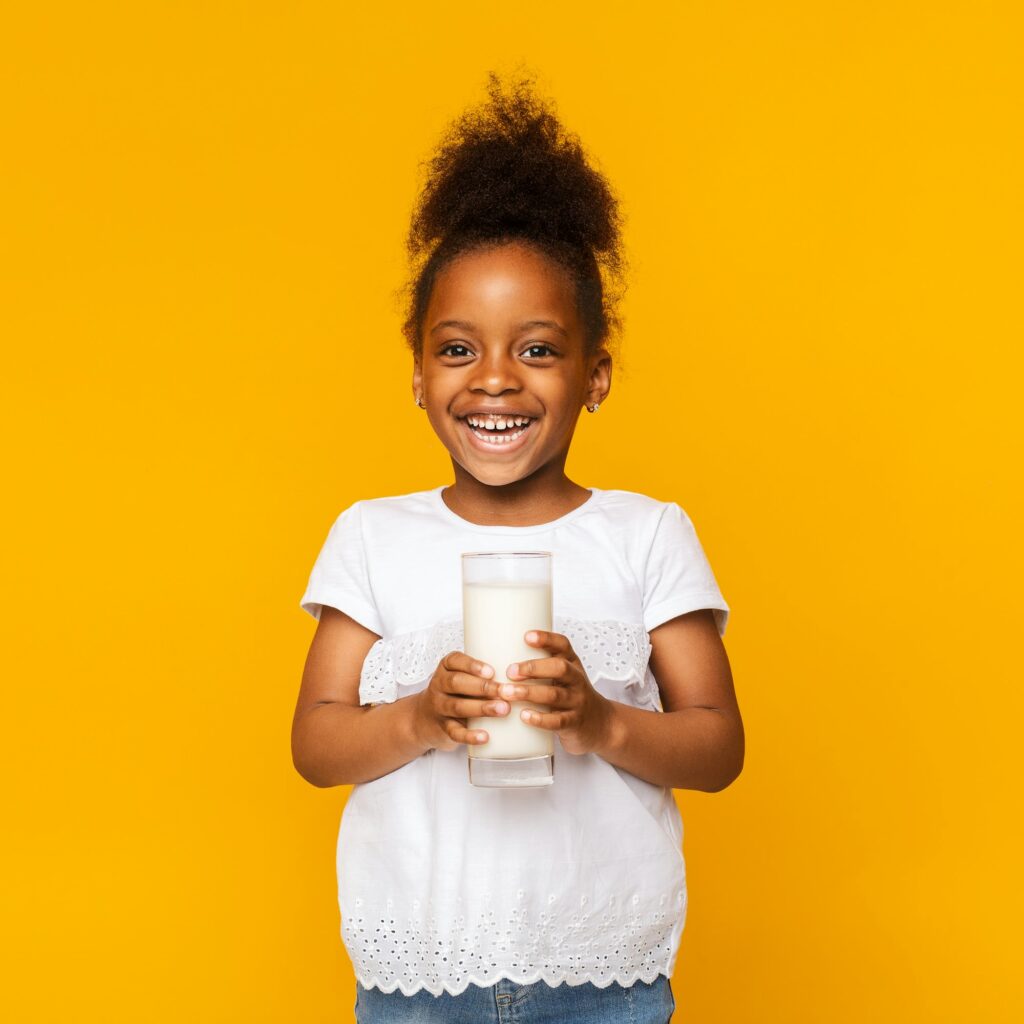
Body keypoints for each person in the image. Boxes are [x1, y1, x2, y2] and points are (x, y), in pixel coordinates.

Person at [292, 69, 744, 1024]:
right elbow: (316, 742)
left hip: (604, 982)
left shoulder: (646, 534)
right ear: (417, 373)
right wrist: (416, 717)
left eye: (537, 348)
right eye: (458, 349)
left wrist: (599, 724)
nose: (495, 380)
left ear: (596, 374)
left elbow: (717, 746)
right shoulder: (372, 537)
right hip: (421, 983)